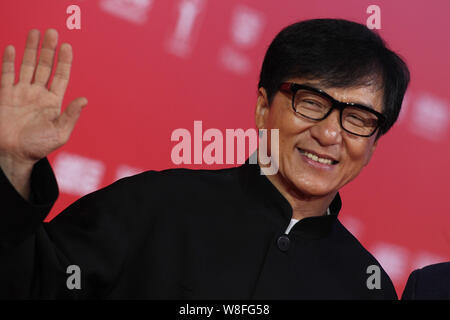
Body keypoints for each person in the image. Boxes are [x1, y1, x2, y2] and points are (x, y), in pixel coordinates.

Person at [0, 19, 409, 299]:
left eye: (358, 118)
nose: (329, 133)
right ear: (263, 108)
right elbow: (30, 285)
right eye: (311, 102)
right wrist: (14, 165)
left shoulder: (365, 284)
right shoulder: (154, 205)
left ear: (373, 143)